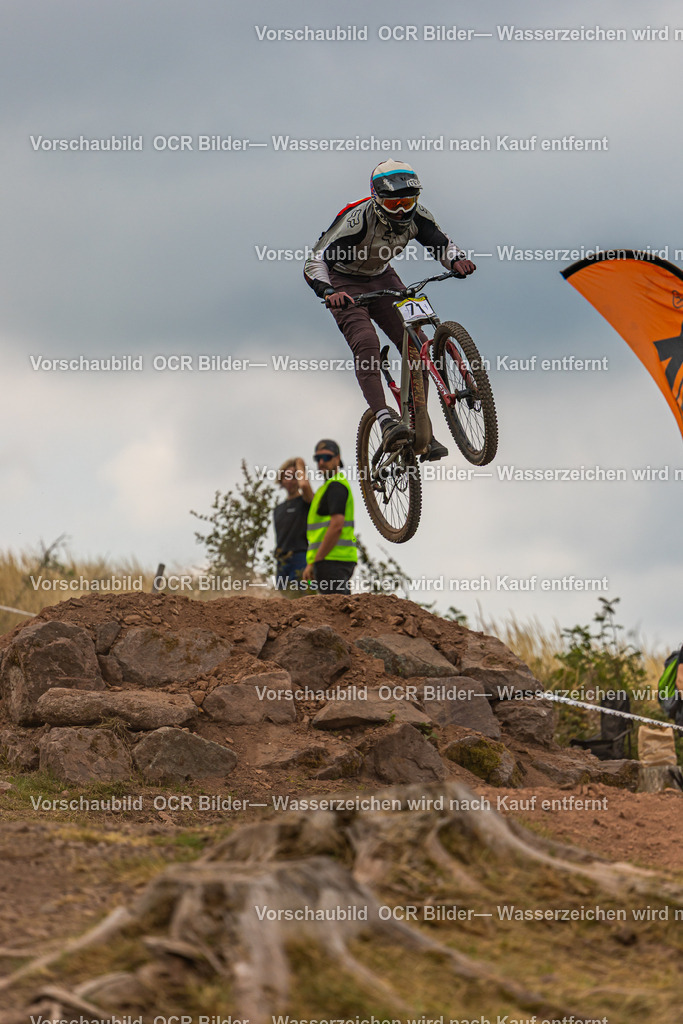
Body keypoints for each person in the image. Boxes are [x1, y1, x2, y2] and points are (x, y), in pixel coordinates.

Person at [303, 159, 476, 458]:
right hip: (344, 284)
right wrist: (329, 291)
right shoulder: (358, 223)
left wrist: (456, 260)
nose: (401, 209)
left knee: (415, 344)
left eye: (407, 201)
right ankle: (384, 419)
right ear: (377, 199)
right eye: (394, 202)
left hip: (382, 276)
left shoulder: (417, 216)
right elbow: (315, 262)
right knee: (367, 343)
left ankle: (422, 427)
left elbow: (440, 243)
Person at [301, 439, 357, 595]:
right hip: (331, 559)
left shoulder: (336, 486)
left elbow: (337, 525)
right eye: (317, 458)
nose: (321, 462)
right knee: (337, 613)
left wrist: (317, 560)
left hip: (332, 560)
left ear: (337, 459)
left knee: (337, 615)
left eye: (326, 457)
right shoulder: (326, 488)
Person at [273, 456, 314, 588]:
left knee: (305, 596)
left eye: (294, 476)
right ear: (281, 480)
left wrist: (300, 465)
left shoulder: (306, 502)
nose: (290, 481)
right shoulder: (277, 509)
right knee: (282, 600)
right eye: (287, 477)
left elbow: (305, 486)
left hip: (301, 557)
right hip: (282, 561)